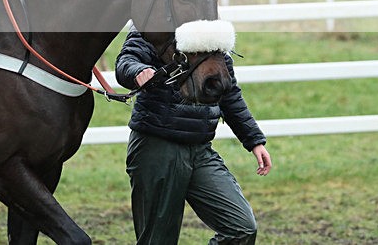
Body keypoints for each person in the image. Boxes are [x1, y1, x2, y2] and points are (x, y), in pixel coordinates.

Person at [116, 24, 272, 245]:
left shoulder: (212, 31)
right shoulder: (155, 22)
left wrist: (254, 140)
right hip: (157, 147)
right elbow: (126, 61)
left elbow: (229, 94)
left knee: (242, 228)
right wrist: (137, 71)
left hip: (200, 150)